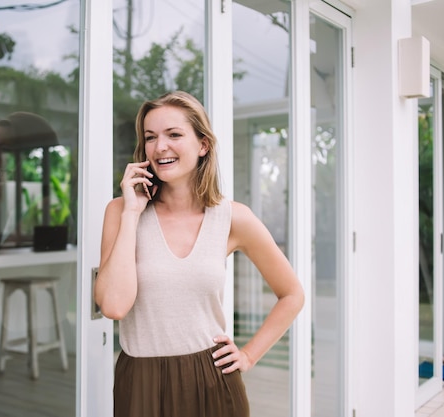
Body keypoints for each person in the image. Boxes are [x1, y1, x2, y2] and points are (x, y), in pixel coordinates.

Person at [95, 91, 304, 417]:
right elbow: (113, 306)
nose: (159, 146)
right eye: (150, 137)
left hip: (212, 379)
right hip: (141, 380)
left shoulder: (233, 217)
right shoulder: (120, 211)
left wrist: (248, 355)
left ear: (203, 145)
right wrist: (132, 214)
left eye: (174, 134)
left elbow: (292, 294)